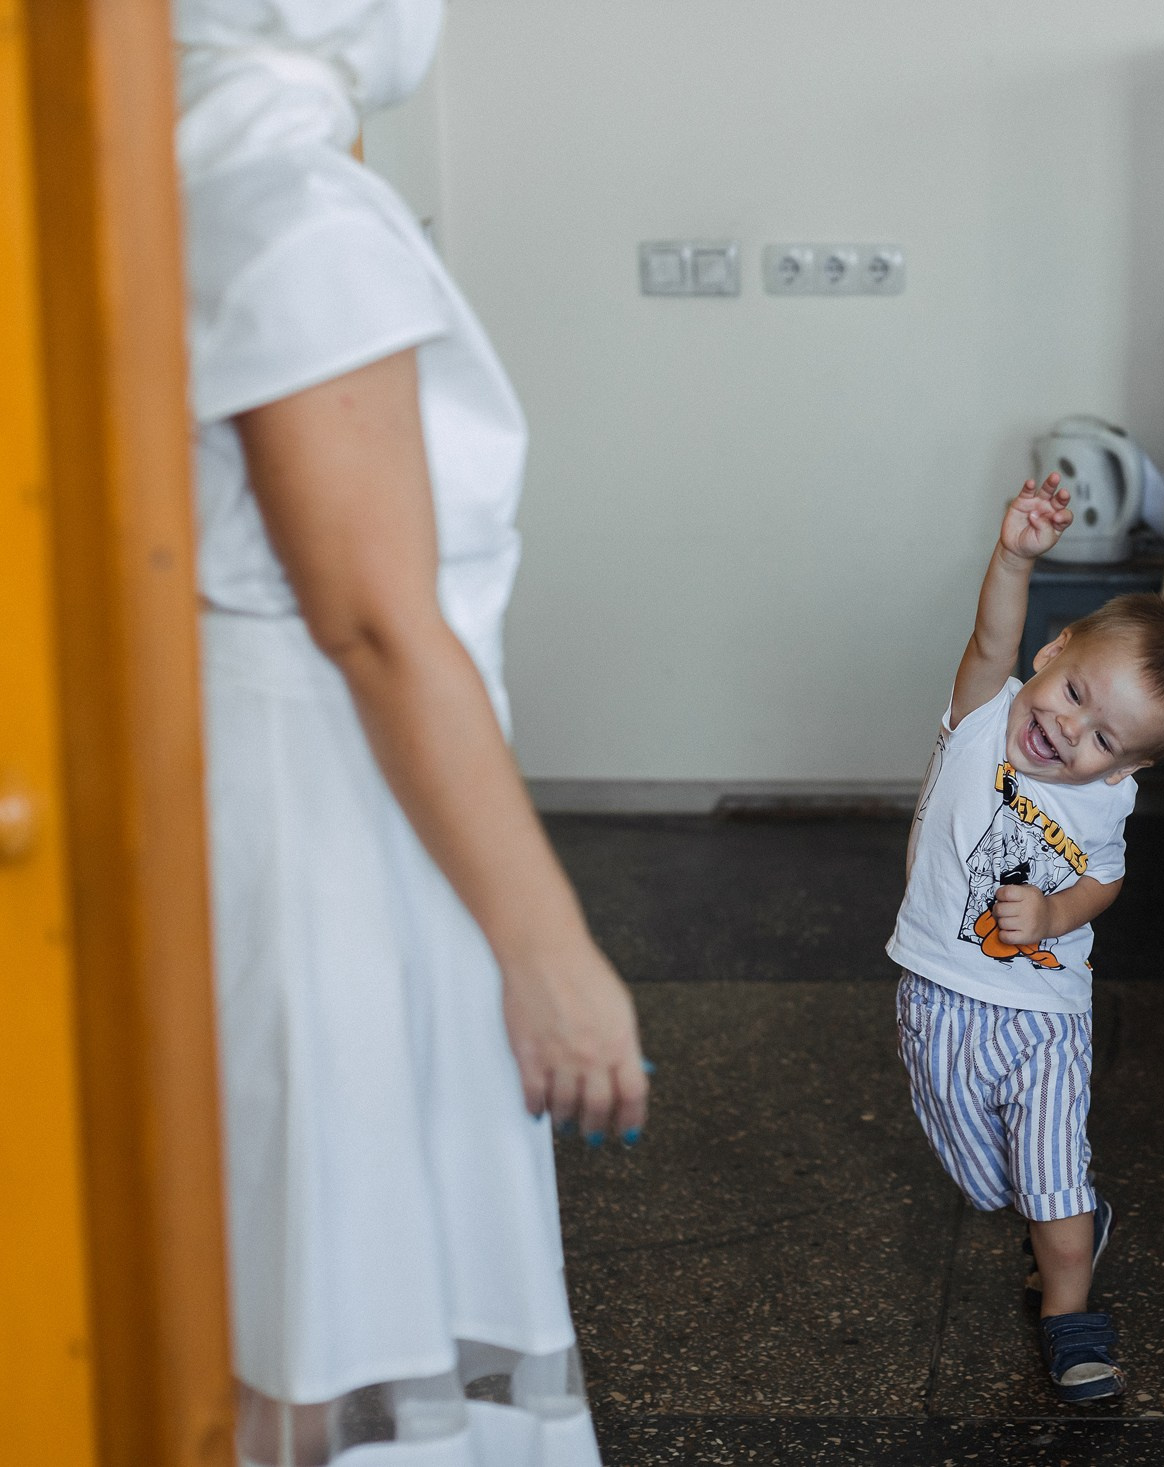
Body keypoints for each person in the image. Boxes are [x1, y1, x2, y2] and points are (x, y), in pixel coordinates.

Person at [177, 2, 647, 1462]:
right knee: (349, 1250)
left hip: (267, 787)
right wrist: (550, 951)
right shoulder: (295, 214)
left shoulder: (171, 177)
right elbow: (378, 624)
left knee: (293, 1263)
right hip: (342, 816)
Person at [885, 473, 1164, 1403]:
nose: (1068, 730)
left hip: (1043, 1017)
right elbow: (991, 638)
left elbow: (1104, 879)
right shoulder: (984, 717)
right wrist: (1014, 555)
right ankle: (1059, 1218)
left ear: (1128, 768)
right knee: (989, 1180)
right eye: (1073, 693)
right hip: (937, 998)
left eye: (1104, 738)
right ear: (1052, 649)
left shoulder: (1105, 802)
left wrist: (1057, 914)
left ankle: (1070, 1314)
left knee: (1052, 1184)